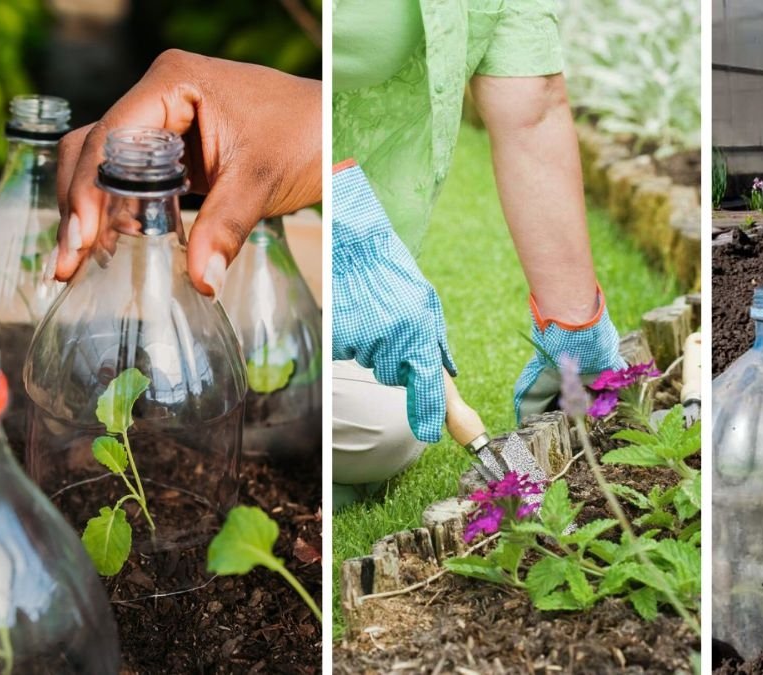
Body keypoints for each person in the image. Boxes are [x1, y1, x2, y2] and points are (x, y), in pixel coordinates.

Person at [53, 2, 627, 510]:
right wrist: (346, 225)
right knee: (381, 421)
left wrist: (575, 321)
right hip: (306, 214)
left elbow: (534, 107)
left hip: (345, 232)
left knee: (389, 421)